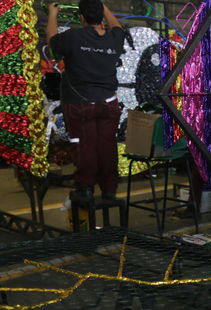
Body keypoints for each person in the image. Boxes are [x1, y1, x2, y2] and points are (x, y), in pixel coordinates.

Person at [46, 0, 125, 201]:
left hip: (80, 104)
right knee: (107, 146)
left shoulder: (73, 37)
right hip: (109, 103)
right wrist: (104, 7)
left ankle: (86, 187)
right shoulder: (114, 37)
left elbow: (52, 43)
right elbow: (117, 26)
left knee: (83, 145)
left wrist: (53, 15)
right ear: (101, 16)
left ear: (81, 17)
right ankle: (109, 190)